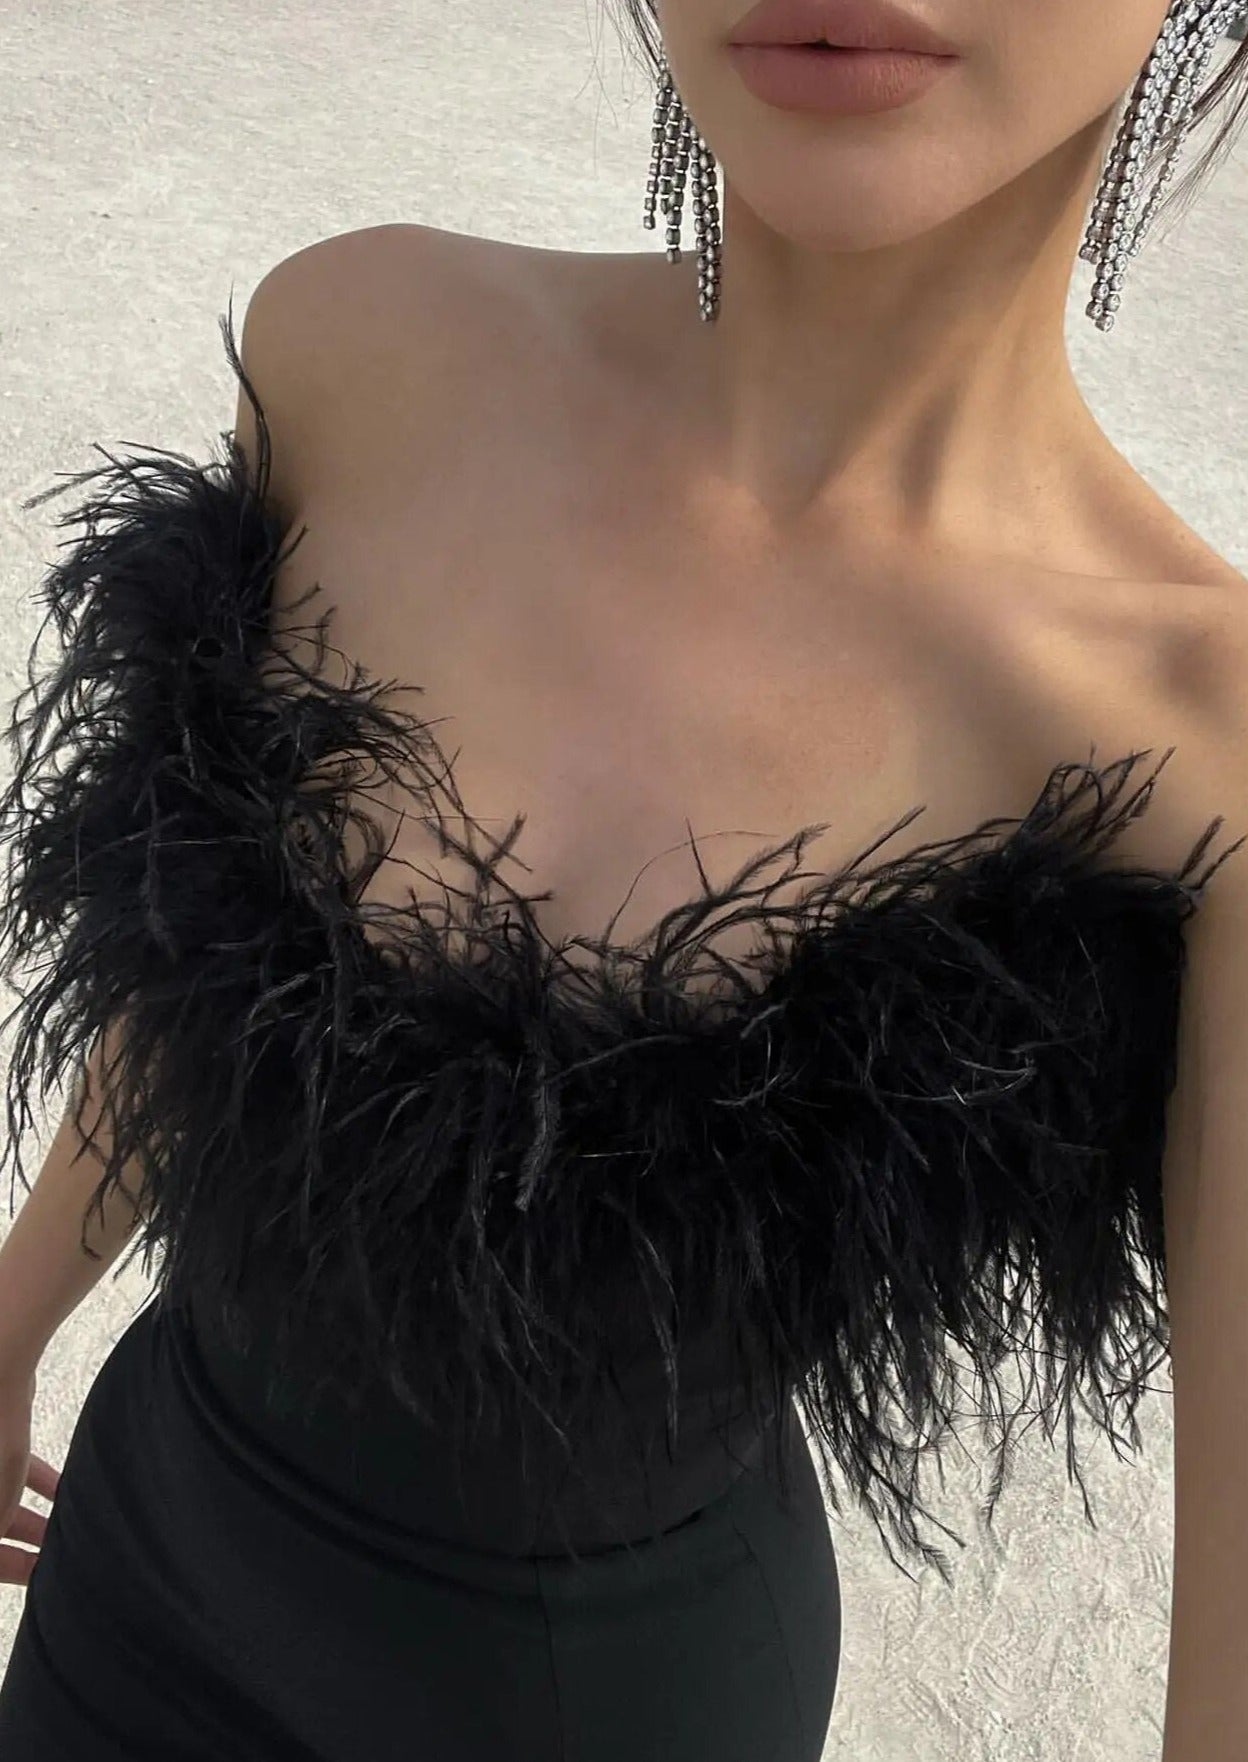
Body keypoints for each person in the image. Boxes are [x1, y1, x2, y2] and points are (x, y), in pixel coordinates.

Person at [0, 2, 1247, 1757]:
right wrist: (14, 1310)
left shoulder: (1200, 754)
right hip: (142, 1551)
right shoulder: (358, 343)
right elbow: (198, 947)